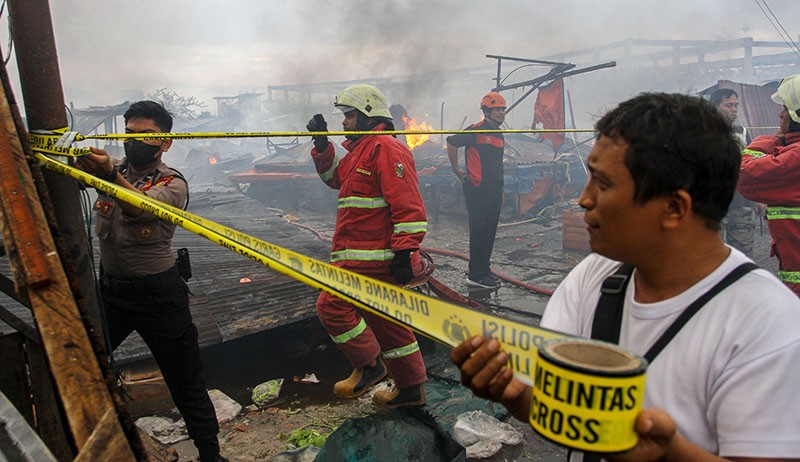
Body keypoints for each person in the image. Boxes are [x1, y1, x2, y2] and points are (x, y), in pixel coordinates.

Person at [451, 93, 800, 461]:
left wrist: (670, 454)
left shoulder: (769, 329)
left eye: (602, 184)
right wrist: (517, 395)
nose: (584, 199)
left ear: (673, 207)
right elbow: (562, 410)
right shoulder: (595, 277)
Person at [75, 101, 226, 462]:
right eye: (129, 135)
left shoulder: (172, 183)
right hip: (112, 292)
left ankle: (211, 455)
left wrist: (109, 174)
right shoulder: (110, 170)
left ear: (166, 142)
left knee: (185, 382)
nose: (134, 142)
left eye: (146, 136)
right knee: (82, 363)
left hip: (159, 295)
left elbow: (140, 206)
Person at [306, 84, 428, 408]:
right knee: (391, 328)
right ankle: (411, 390)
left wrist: (405, 252)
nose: (344, 122)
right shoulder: (360, 151)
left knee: (331, 306)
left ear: (367, 114)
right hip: (362, 259)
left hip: (377, 259)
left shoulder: (387, 148)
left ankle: (370, 365)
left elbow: (409, 208)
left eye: (348, 115)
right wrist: (322, 144)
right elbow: (335, 177)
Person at [739, 73, 800, 297]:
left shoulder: (793, 158)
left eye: (785, 108)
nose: (780, 113)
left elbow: (745, 174)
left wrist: (773, 139)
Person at [446, 92, 506, 289]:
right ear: (486, 111)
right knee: (479, 231)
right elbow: (452, 141)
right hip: (478, 189)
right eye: (497, 109)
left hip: (494, 190)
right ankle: (476, 275)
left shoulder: (499, 135)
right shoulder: (475, 130)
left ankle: (484, 269)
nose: (501, 113)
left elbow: (497, 165)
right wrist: (457, 169)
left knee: (489, 231)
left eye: (503, 109)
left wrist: (500, 190)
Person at [709, 88, 755, 256]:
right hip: (712, 205)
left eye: (736, 105)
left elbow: (752, 167)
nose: (734, 109)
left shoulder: (742, 133)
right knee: (713, 256)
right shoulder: (700, 133)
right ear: (714, 107)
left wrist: (758, 199)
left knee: (743, 256)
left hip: (741, 204)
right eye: (728, 105)